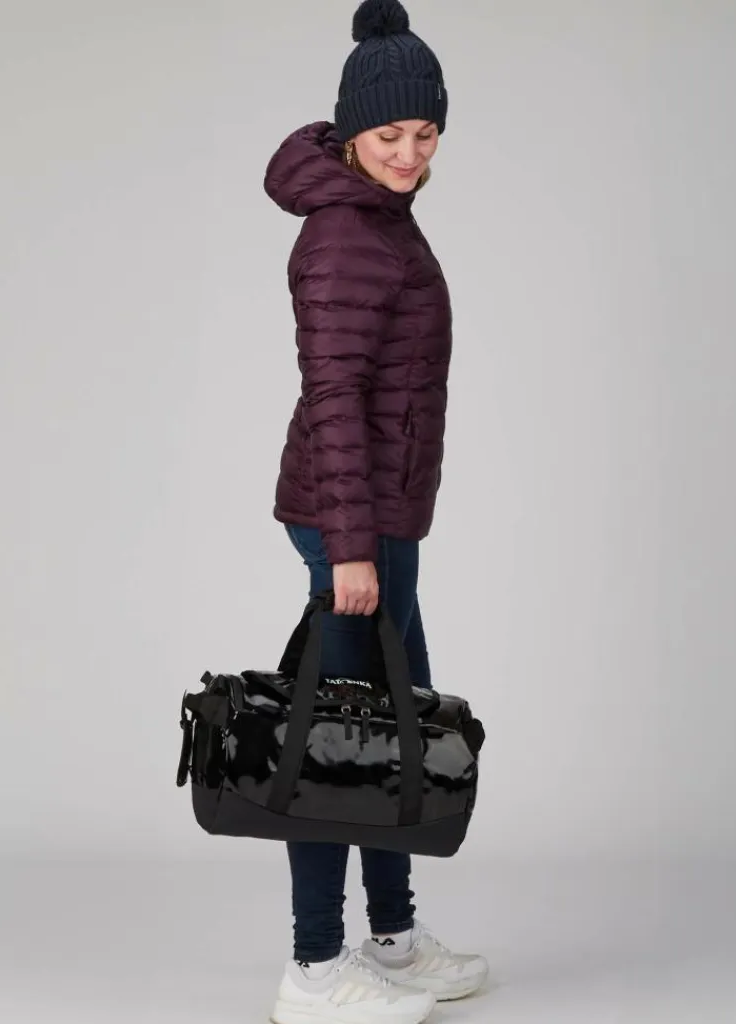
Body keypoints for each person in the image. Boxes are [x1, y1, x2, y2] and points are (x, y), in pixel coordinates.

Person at [261, 2, 488, 1022]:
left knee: (390, 726)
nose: (409, 153)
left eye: (426, 133)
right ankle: (314, 967)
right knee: (335, 742)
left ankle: (389, 938)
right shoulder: (346, 233)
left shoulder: (380, 215)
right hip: (353, 520)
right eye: (390, 133)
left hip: (383, 516)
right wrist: (351, 550)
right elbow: (334, 396)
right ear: (352, 130)